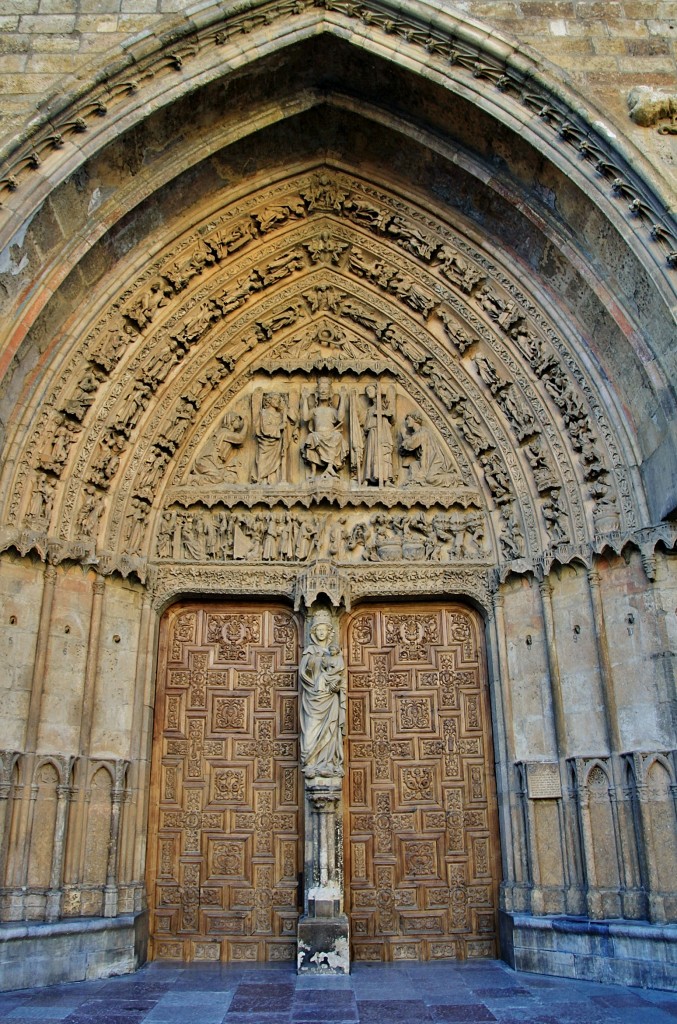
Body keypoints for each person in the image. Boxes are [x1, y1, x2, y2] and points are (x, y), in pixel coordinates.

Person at [299, 610, 346, 779]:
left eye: (323, 630)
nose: (320, 633)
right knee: (311, 727)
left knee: (331, 729)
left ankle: (328, 763)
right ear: (313, 632)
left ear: (329, 631)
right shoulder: (310, 650)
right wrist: (314, 674)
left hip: (330, 697)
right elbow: (303, 673)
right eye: (318, 630)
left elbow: (341, 674)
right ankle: (310, 762)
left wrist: (337, 685)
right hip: (313, 695)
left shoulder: (336, 653)